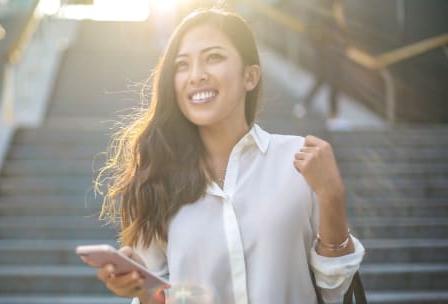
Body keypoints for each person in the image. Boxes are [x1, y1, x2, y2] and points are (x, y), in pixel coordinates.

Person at [83, 8, 364, 304]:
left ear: (250, 76)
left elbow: (334, 288)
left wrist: (332, 196)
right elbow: (166, 296)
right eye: (182, 64)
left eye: (214, 57)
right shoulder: (156, 179)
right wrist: (141, 289)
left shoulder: (299, 161)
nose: (196, 75)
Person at [293, 0, 348, 120]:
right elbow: (336, 31)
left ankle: (303, 106)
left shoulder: (325, 8)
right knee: (331, 82)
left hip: (328, 50)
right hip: (329, 51)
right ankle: (333, 117)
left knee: (323, 80)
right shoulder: (327, 10)